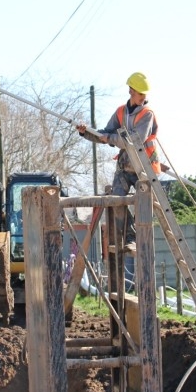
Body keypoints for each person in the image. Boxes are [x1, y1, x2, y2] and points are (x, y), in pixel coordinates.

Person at [76, 72, 160, 255]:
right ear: (131, 91)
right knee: (117, 201)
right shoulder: (121, 112)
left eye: (145, 94)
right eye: (141, 93)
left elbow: (135, 140)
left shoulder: (147, 114)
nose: (144, 97)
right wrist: (86, 133)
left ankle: (138, 240)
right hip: (124, 166)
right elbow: (104, 134)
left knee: (143, 205)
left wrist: (110, 138)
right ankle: (130, 237)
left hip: (144, 168)